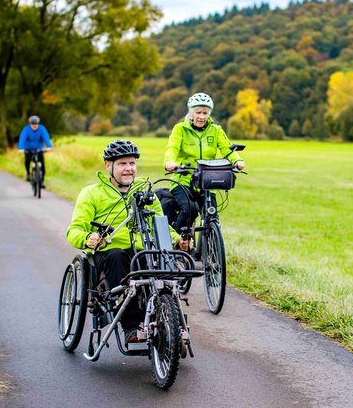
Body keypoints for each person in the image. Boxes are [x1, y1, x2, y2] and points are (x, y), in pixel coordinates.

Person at [66, 140, 192, 343]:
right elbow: (73, 231)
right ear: (109, 166)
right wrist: (88, 239)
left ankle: (170, 321)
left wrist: (178, 239)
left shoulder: (145, 192)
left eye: (132, 163)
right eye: (122, 164)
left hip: (142, 251)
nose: (129, 169)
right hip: (109, 254)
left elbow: (159, 225)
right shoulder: (92, 193)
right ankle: (132, 328)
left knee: (162, 263)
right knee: (119, 257)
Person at [163, 92, 245, 232]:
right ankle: (177, 240)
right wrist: (170, 162)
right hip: (183, 179)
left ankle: (211, 247)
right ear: (190, 112)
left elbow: (227, 149)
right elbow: (172, 148)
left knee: (212, 216)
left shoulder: (216, 130)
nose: (201, 116)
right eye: (198, 112)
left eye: (205, 113)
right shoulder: (180, 129)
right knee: (189, 209)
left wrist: (237, 160)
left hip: (207, 181)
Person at [18, 115, 52, 186]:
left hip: (39, 149)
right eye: (32, 124)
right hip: (29, 149)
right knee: (27, 161)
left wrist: (49, 146)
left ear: (38, 124)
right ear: (30, 124)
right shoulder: (26, 129)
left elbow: (46, 138)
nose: (34, 125)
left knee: (42, 165)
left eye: (36, 124)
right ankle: (28, 174)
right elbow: (22, 138)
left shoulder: (42, 129)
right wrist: (20, 148)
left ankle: (42, 181)